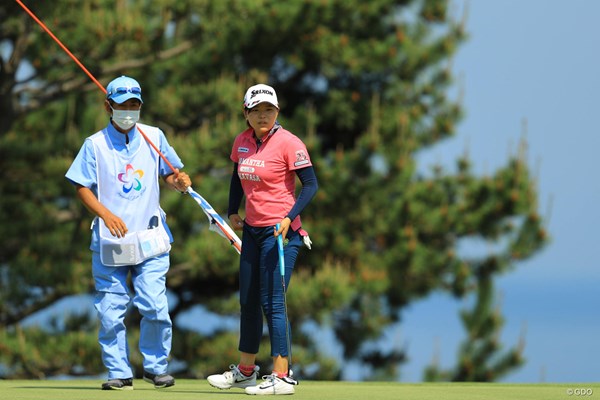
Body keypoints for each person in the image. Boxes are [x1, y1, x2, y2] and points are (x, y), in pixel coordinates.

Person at [65, 75, 191, 391]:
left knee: (155, 305)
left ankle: (156, 367)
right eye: (121, 105)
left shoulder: (154, 136)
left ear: (140, 106)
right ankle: (119, 372)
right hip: (110, 242)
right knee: (110, 312)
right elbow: (81, 186)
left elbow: (171, 173)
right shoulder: (93, 144)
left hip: (150, 237)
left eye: (133, 105)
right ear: (108, 106)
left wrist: (178, 182)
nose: (128, 110)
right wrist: (106, 215)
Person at [207, 84, 318, 395]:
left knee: (274, 303)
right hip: (253, 231)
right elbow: (236, 175)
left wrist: (287, 218)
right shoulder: (242, 142)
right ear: (246, 114)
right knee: (248, 301)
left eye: (268, 109)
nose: (263, 115)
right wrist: (232, 211)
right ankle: (245, 370)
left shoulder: (289, 142)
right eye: (256, 110)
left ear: (277, 112)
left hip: (281, 234)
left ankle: (282, 376)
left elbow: (310, 185)